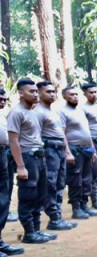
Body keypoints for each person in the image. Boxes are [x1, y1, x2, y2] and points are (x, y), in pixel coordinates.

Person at [7, 79, 57, 244]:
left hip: (39, 157)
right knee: (28, 195)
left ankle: (36, 230)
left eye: (36, 91)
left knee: (39, 195)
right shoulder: (17, 113)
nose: (36, 94)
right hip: (27, 157)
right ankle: (29, 232)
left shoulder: (32, 112)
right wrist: (20, 166)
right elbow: (13, 141)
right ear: (21, 93)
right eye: (31, 91)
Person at [35, 81, 76, 232]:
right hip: (49, 150)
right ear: (38, 93)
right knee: (50, 183)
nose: (52, 94)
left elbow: (60, 133)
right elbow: (36, 135)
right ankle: (53, 216)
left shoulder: (54, 111)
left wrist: (66, 151)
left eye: (53, 92)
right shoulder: (38, 112)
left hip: (59, 149)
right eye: (48, 92)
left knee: (60, 183)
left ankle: (57, 217)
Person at [58, 86, 97, 221]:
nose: (75, 97)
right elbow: (62, 133)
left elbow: (87, 132)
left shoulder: (80, 111)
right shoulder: (62, 112)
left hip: (87, 149)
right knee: (75, 179)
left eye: (76, 94)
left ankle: (84, 205)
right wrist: (68, 152)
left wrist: (93, 149)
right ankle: (76, 208)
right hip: (74, 149)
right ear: (64, 96)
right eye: (71, 94)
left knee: (87, 179)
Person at [0, 87, 26, 257]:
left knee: (3, 198)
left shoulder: (3, 114)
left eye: (4, 98)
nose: (2, 101)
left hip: (2, 155)